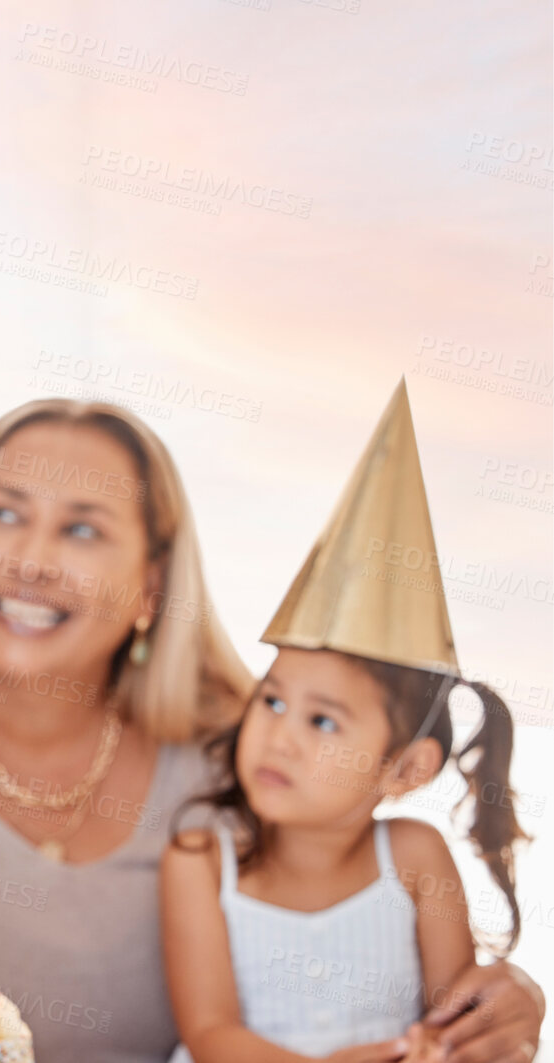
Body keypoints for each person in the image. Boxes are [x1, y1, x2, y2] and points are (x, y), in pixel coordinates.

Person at [0, 397, 546, 1062]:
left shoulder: (236, 753)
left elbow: (357, 915)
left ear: (150, 580)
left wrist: (505, 997)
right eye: (3, 513)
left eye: (83, 529)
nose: (33, 560)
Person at [163, 383, 530, 1063]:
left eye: (323, 721)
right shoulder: (198, 859)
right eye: (271, 701)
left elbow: (450, 1023)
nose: (279, 734)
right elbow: (212, 1034)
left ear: (405, 767)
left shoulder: (415, 859)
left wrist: (441, 1045)